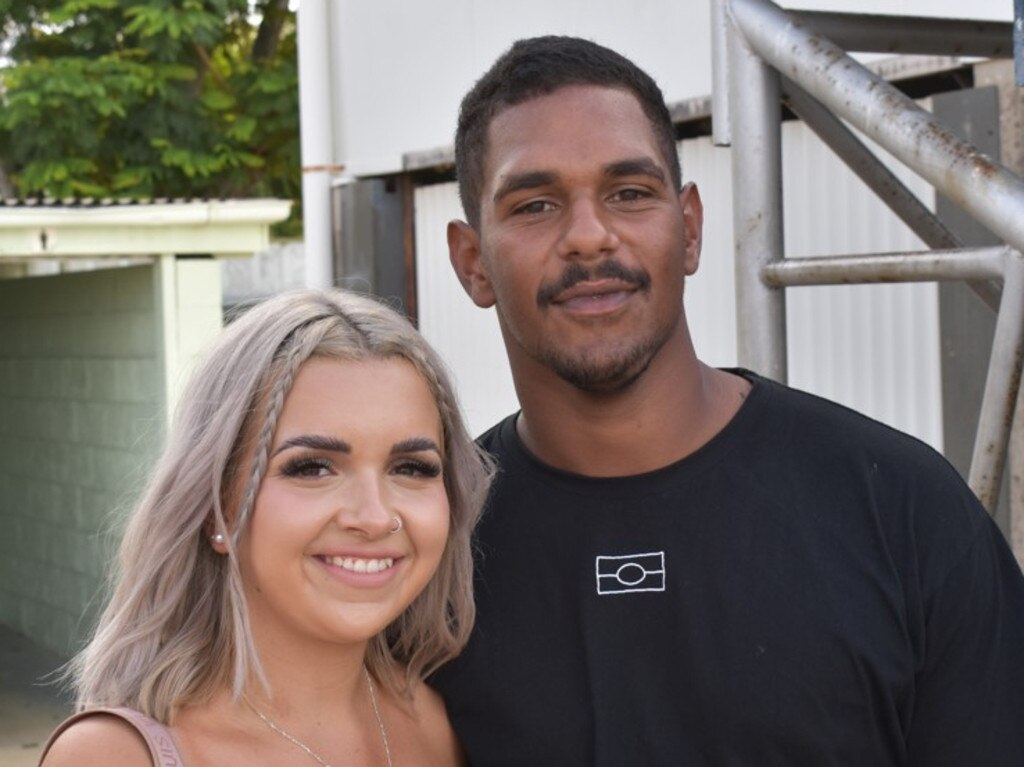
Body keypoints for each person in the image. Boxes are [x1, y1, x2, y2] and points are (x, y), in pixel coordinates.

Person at [431, 35, 1024, 765]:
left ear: (691, 228)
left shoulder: (902, 509)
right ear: (471, 262)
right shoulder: (430, 552)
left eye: (629, 192)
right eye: (535, 204)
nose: (588, 236)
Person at [40, 289, 492, 767]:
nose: (375, 516)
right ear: (216, 506)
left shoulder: (441, 726)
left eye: (411, 467)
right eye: (313, 467)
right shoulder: (115, 755)